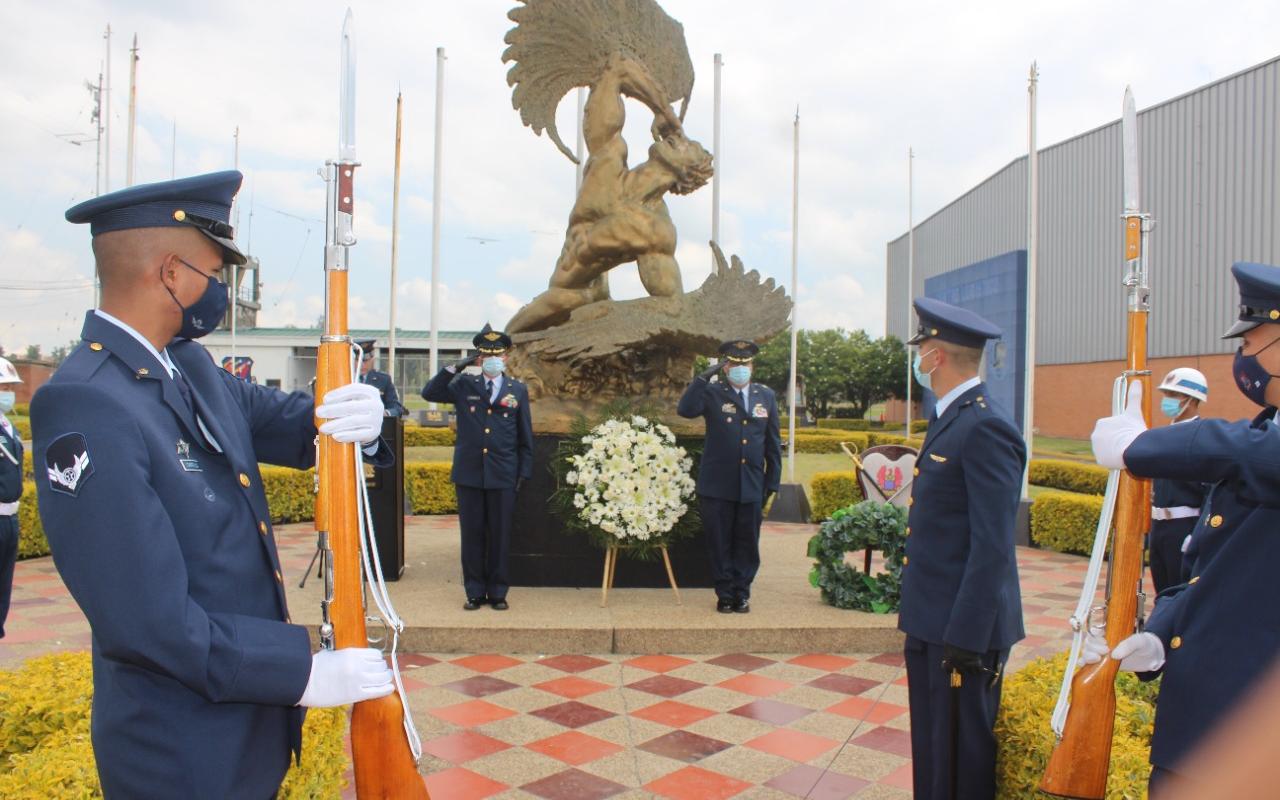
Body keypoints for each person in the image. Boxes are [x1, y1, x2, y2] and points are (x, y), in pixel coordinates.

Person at [32, 171, 397, 799]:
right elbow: (145, 622)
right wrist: (302, 675)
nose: (218, 288)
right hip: (179, 748)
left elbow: (295, 424)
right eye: (213, 271)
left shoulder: (191, 367)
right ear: (172, 273)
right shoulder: (88, 401)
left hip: (242, 724)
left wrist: (368, 415)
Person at [1086, 261, 1280, 794]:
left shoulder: (1258, 449)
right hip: (1201, 730)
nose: (1243, 358)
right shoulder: (1265, 435)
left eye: (1255, 341)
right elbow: (1215, 570)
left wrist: (1141, 447)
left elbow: (1241, 451)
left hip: (1251, 743)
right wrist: (1160, 634)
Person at [897, 297, 1026, 800]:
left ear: (936, 356)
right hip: (934, 618)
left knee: (962, 759)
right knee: (935, 753)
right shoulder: (952, 417)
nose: (920, 361)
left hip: (962, 628)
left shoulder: (985, 425)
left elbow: (993, 544)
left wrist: (967, 637)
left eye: (922, 350)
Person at [421, 324, 532, 610]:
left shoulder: (517, 390)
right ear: (478, 358)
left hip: (503, 474)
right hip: (470, 474)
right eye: (484, 356)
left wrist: (523, 472)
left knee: (499, 535)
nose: (491, 360)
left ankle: (497, 592)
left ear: (505, 357)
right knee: (471, 536)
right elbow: (429, 392)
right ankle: (474, 591)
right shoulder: (463, 385)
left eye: (497, 355)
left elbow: (524, 436)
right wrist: (457, 367)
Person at [677, 340, 781, 614]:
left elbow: (773, 443)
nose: (740, 369)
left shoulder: (765, 396)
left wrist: (772, 482)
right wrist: (702, 378)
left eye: (744, 364)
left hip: (752, 483)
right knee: (719, 541)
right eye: (734, 364)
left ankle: (742, 592)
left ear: (752, 366)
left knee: (747, 542)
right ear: (725, 368)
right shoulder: (712, 392)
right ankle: (724, 593)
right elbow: (685, 410)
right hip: (717, 484)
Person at [1148, 367, 1210, 593]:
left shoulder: (1201, 437)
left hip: (1183, 528)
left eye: (1173, 395)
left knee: (1179, 593)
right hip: (1160, 526)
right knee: (1161, 591)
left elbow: (1210, 493)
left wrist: (1197, 534)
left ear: (1192, 399)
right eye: (1166, 394)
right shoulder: (1165, 434)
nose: (1167, 401)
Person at [0, 357, 23, 640]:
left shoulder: (8, 424)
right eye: (2, 386)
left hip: (10, 518)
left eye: (8, 385)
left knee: (3, 593)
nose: (7, 391)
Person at [356, 338, 404, 417]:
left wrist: (385, 413)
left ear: (372, 360)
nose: (362, 365)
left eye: (365, 361)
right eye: (358, 361)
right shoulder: (346, 379)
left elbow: (397, 409)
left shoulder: (383, 380)